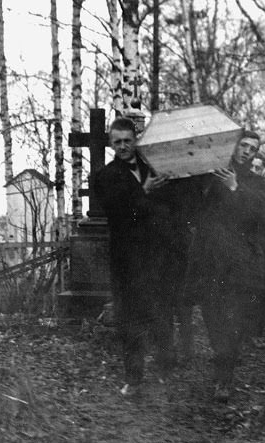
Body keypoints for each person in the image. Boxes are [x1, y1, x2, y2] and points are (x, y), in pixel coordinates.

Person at [185, 130, 265, 402]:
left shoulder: (257, 184)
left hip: (239, 267)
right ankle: (222, 361)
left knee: (233, 323)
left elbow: (259, 217)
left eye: (252, 149)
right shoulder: (214, 176)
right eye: (243, 146)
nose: (246, 152)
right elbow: (197, 211)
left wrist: (234, 188)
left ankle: (224, 379)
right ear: (234, 147)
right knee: (213, 320)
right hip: (211, 264)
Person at [94, 117, 175, 396]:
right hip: (127, 262)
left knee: (161, 315)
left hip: (157, 258)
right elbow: (117, 215)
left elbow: (168, 209)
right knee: (129, 321)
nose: (123, 146)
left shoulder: (154, 167)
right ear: (110, 143)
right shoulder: (104, 177)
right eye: (117, 142)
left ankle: (165, 371)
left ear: (136, 139)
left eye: (128, 140)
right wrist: (144, 193)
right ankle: (134, 378)